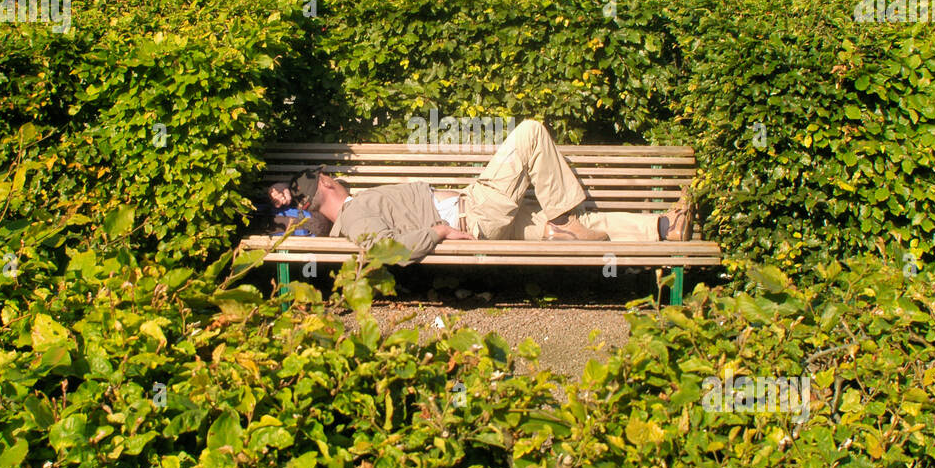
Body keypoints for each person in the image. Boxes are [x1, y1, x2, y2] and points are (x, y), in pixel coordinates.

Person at [292, 119, 694, 264]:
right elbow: (385, 252)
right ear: (326, 183)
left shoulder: (351, 215)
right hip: (475, 215)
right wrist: (439, 232)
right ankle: (564, 218)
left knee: (575, 227)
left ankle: (664, 228)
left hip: (480, 218)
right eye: (332, 177)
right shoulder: (355, 214)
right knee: (530, 132)